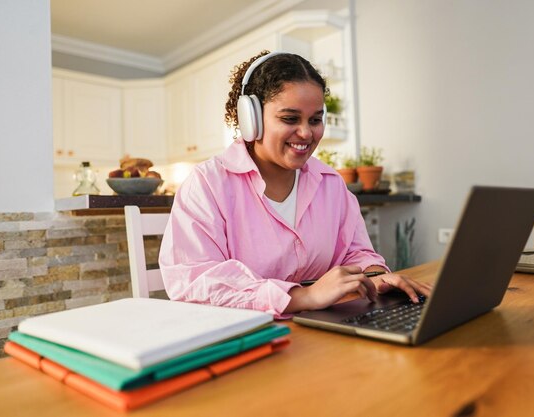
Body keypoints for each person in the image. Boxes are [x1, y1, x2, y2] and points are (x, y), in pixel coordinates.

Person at [159, 51, 431, 318]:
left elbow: (354, 251)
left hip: (320, 330)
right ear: (250, 119)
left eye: (315, 120)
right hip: (247, 338)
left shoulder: (331, 184)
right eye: (290, 118)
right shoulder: (208, 184)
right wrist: (302, 297)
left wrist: (378, 277)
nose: (306, 133)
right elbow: (193, 281)